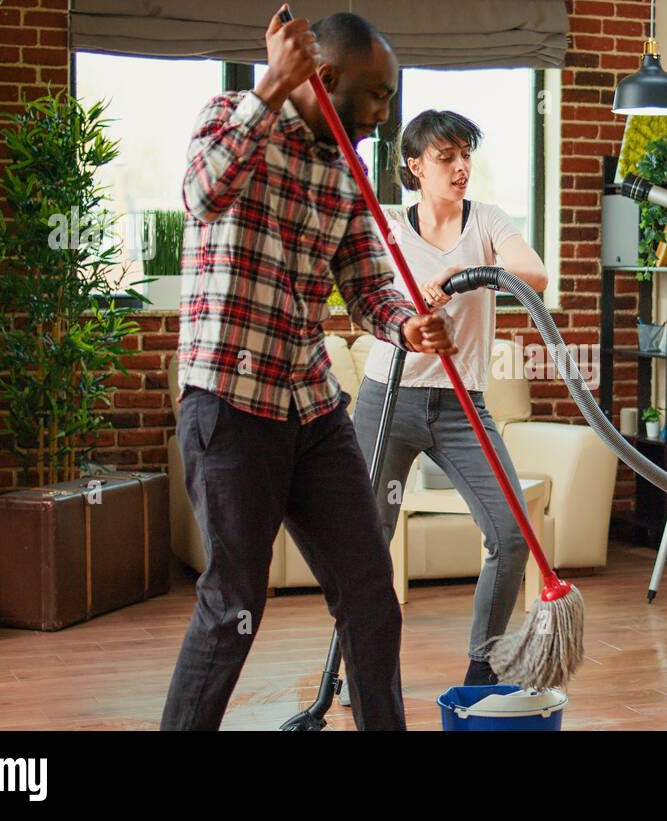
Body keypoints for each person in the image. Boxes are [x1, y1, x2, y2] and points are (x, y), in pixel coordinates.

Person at [163, 8, 456, 731]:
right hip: (229, 404)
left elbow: (363, 282)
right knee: (233, 606)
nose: (387, 115)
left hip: (310, 404)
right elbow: (200, 193)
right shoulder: (233, 113)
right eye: (379, 95)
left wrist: (405, 323)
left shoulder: (347, 169)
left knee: (369, 591)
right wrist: (269, 90)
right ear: (324, 79)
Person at [353, 109, 549, 687]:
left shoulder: (486, 219)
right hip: (389, 398)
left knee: (511, 535)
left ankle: (481, 668)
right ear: (414, 167)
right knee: (367, 543)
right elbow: (363, 305)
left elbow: (532, 274)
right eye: (446, 157)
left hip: (464, 406)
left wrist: (470, 270)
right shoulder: (387, 225)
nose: (461, 167)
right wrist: (410, 320)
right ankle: (356, 670)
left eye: (467, 155)